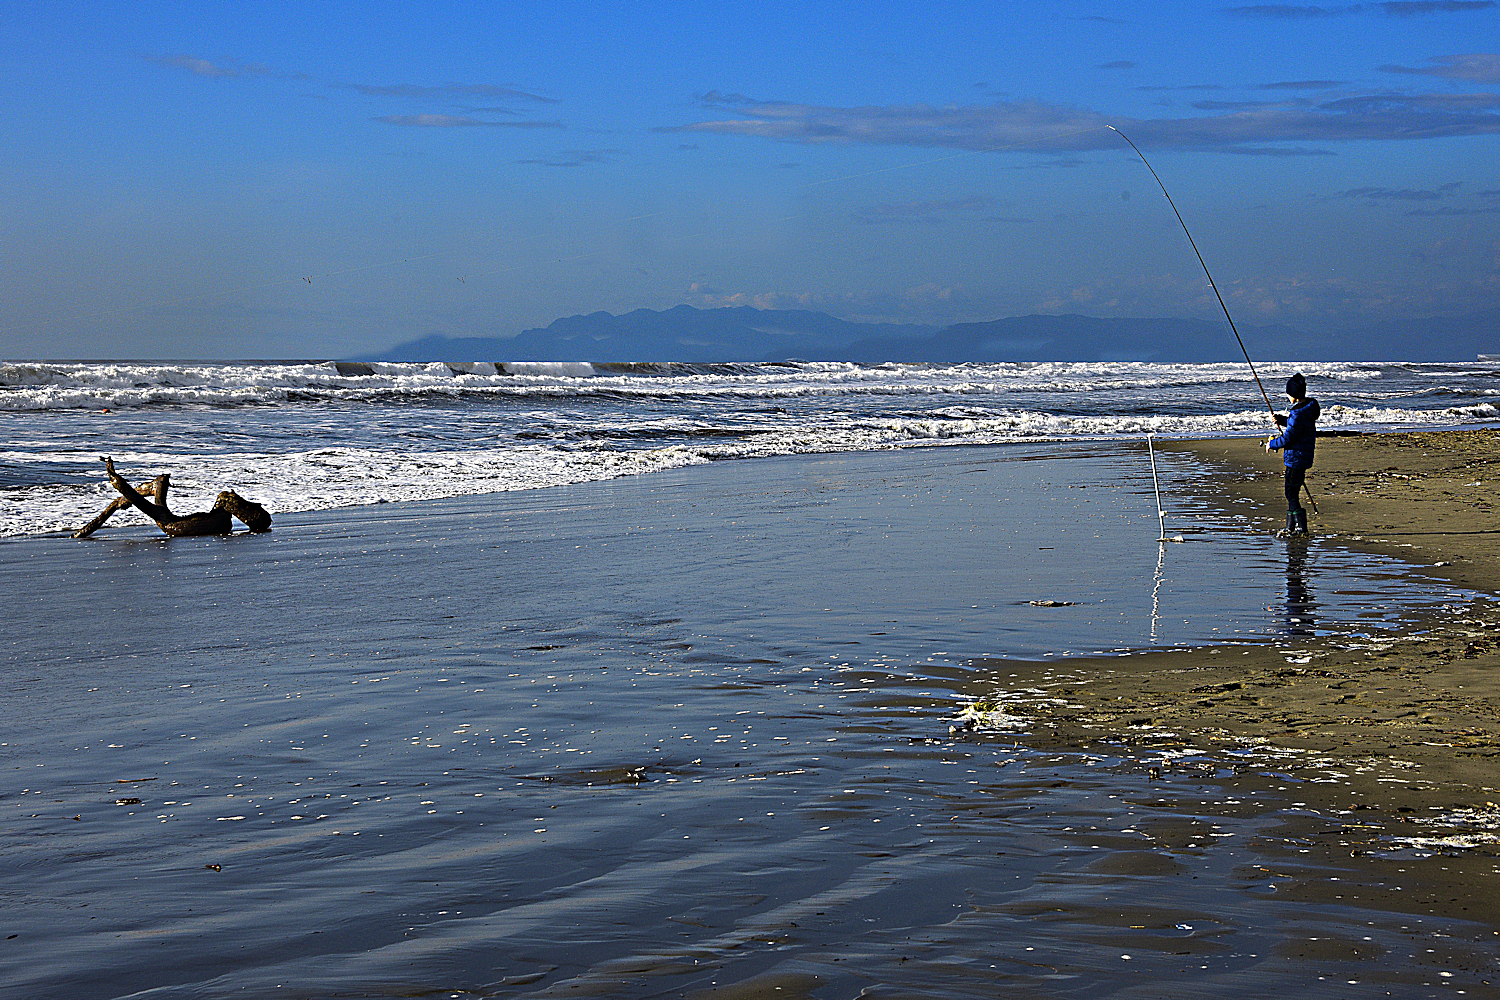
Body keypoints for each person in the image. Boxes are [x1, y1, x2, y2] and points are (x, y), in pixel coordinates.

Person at [1265, 372, 1319, 535]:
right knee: (1292, 491)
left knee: (1290, 492)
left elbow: (1288, 437)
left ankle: (1301, 527)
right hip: (1302, 457)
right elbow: (1296, 425)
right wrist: (1282, 420)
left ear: (1293, 396)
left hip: (1296, 458)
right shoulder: (1307, 409)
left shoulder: (1297, 413)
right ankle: (1290, 527)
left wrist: (1272, 444)